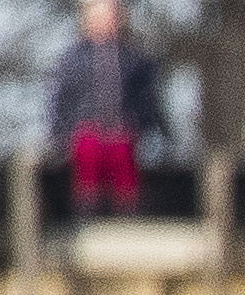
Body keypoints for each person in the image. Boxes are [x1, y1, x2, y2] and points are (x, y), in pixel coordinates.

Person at [48, 0, 165, 217]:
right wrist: (60, 134)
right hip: (85, 135)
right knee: (88, 150)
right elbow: (60, 102)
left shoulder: (135, 59)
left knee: (121, 153)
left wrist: (139, 126)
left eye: (109, 14)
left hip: (123, 135)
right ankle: (87, 219)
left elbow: (148, 102)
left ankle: (129, 220)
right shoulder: (71, 60)